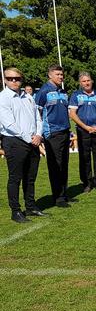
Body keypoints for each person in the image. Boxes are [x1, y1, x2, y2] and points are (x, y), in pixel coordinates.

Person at [0, 68, 47, 222]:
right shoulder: (3, 98)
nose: (14, 81)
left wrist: (39, 135)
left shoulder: (28, 96)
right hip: (14, 142)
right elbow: (9, 124)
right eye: (10, 78)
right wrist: (30, 138)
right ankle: (16, 211)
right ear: (5, 80)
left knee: (30, 177)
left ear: (22, 79)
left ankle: (31, 206)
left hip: (33, 140)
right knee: (15, 178)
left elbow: (37, 117)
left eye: (17, 78)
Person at [34, 65, 73, 207]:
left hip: (65, 131)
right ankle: (58, 197)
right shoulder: (44, 91)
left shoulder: (63, 92)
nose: (60, 77)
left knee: (64, 164)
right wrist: (41, 133)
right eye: (57, 74)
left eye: (62, 74)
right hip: (52, 133)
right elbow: (36, 113)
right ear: (50, 75)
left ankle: (64, 193)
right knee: (55, 165)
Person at [68, 72, 96, 192]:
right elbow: (72, 114)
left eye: (88, 80)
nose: (86, 83)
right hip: (82, 131)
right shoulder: (75, 95)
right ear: (80, 83)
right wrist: (86, 127)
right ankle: (87, 183)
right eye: (83, 81)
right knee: (84, 158)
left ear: (92, 81)